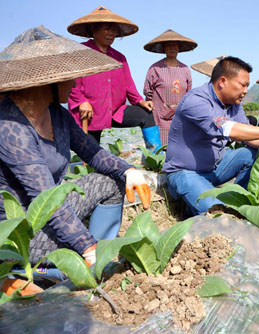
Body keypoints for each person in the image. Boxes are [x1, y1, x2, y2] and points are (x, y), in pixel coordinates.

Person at [0, 26, 151, 295]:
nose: (74, 84)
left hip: (48, 215)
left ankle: (94, 262)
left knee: (110, 183)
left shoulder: (57, 115)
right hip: (16, 233)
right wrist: (85, 244)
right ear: (46, 81)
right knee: (66, 254)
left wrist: (128, 171)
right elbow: (44, 196)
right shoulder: (10, 126)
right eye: (68, 78)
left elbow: (92, 152)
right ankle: (19, 274)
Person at [163, 56, 259, 216]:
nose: (246, 90)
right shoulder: (196, 101)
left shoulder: (234, 104)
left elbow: (245, 133)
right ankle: (195, 206)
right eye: (243, 85)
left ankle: (240, 199)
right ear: (222, 82)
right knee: (216, 212)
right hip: (186, 172)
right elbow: (227, 128)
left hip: (217, 167)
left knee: (252, 155)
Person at [67, 6, 160, 149]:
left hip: (116, 110)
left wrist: (140, 101)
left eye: (114, 30)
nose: (111, 34)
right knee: (90, 153)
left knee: (145, 115)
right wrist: (81, 102)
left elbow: (128, 84)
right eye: (106, 29)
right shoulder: (81, 53)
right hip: (91, 112)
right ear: (94, 29)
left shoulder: (119, 58)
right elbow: (71, 82)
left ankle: (156, 158)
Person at [143, 29, 197, 145]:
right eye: (169, 46)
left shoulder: (185, 69)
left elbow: (189, 92)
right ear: (164, 49)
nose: (172, 48)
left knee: (179, 145)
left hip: (179, 115)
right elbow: (148, 91)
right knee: (159, 146)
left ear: (179, 48)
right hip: (159, 115)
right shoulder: (155, 69)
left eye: (175, 46)